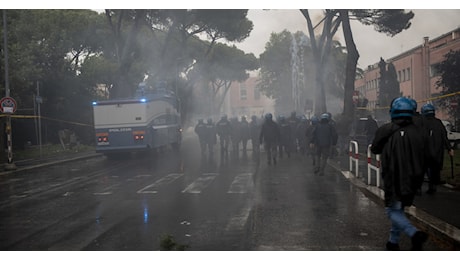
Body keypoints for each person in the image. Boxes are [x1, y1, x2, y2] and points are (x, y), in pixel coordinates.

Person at [371, 97, 428, 251]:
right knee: (399, 209)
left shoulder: (385, 130)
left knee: (391, 210)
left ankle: (414, 234)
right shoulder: (419, 132)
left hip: (393, 177)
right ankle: (393, 241)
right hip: (413, 178)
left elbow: (375, 149)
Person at [421, 103, 454, 195]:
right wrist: (449, 148)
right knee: (435, 169)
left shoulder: (422, 123)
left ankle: (420, 188)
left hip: (425, 151)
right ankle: (433, 186)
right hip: (437, 151)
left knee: (423, 169)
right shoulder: (438, 122)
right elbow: (444, 136)